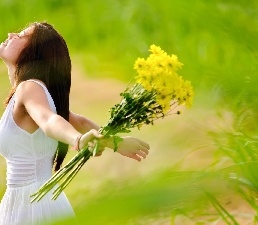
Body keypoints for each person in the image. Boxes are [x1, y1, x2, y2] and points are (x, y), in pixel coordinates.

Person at [0, 22, 150, 225]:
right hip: (29, 200)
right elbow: (77, 120)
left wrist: (77, 140)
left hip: (31, 205)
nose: (11, 34)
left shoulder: (29, 88)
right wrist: (116, 142)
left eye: (22, 35)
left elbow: (50, 120)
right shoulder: (30, 91)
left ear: (33, 52)